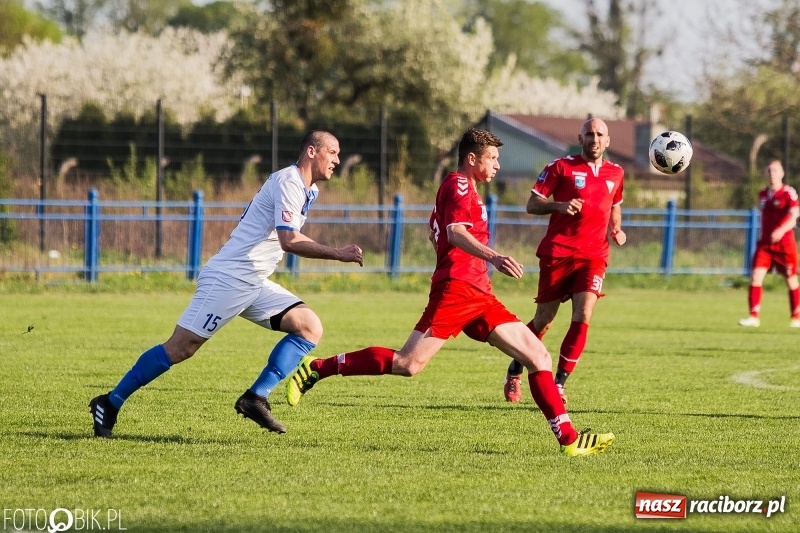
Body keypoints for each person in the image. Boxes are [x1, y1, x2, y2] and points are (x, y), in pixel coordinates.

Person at [284, 127, 614, 456]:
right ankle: (317, 368)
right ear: (472, 159)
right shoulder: (457, 185)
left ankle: (570, 440)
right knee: (408, 363)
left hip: (478, 294)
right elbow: (454, 233)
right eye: (493, 158)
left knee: (538, 356)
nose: (498, 165)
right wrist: (493, 257)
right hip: (458, 290)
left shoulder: (466, 188)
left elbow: (436, 232)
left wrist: (458, 258)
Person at [89, 131, 364, 438]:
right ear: (312, 152)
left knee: (309, 326)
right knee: (181, 347)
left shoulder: (306, 189)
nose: (337, 160)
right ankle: (109, 402)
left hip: (253, 280)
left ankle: (255, 398)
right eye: (333, 152)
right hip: (230, 277)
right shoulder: (289, 182)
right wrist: (338, 253)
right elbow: (289, 240)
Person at [503, 118, 626, 406]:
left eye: (600, 135)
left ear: (608, 141)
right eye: (589, 134)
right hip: (558, 252)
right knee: (545, 319)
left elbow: (615, 205)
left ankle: (559, 383)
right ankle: (515, 367)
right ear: (580, 138)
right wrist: (559, 205)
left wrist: (616, 229)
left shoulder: (617, 173)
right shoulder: (560, 167)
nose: (594, 139)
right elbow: (532, 204)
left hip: (594, 256)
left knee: (583, 315)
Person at [738, 160, 800, 328]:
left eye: (775, 170)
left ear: (782, 173)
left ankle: (796, 317)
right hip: (765, 245)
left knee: (791, 279)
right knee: (756, 277)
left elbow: (794, 215)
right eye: (770, 170)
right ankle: (753, 316)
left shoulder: (789, 193)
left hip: (785, 245)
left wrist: (781, 230)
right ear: (767, 174)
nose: (772, 173)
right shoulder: (763, 194)